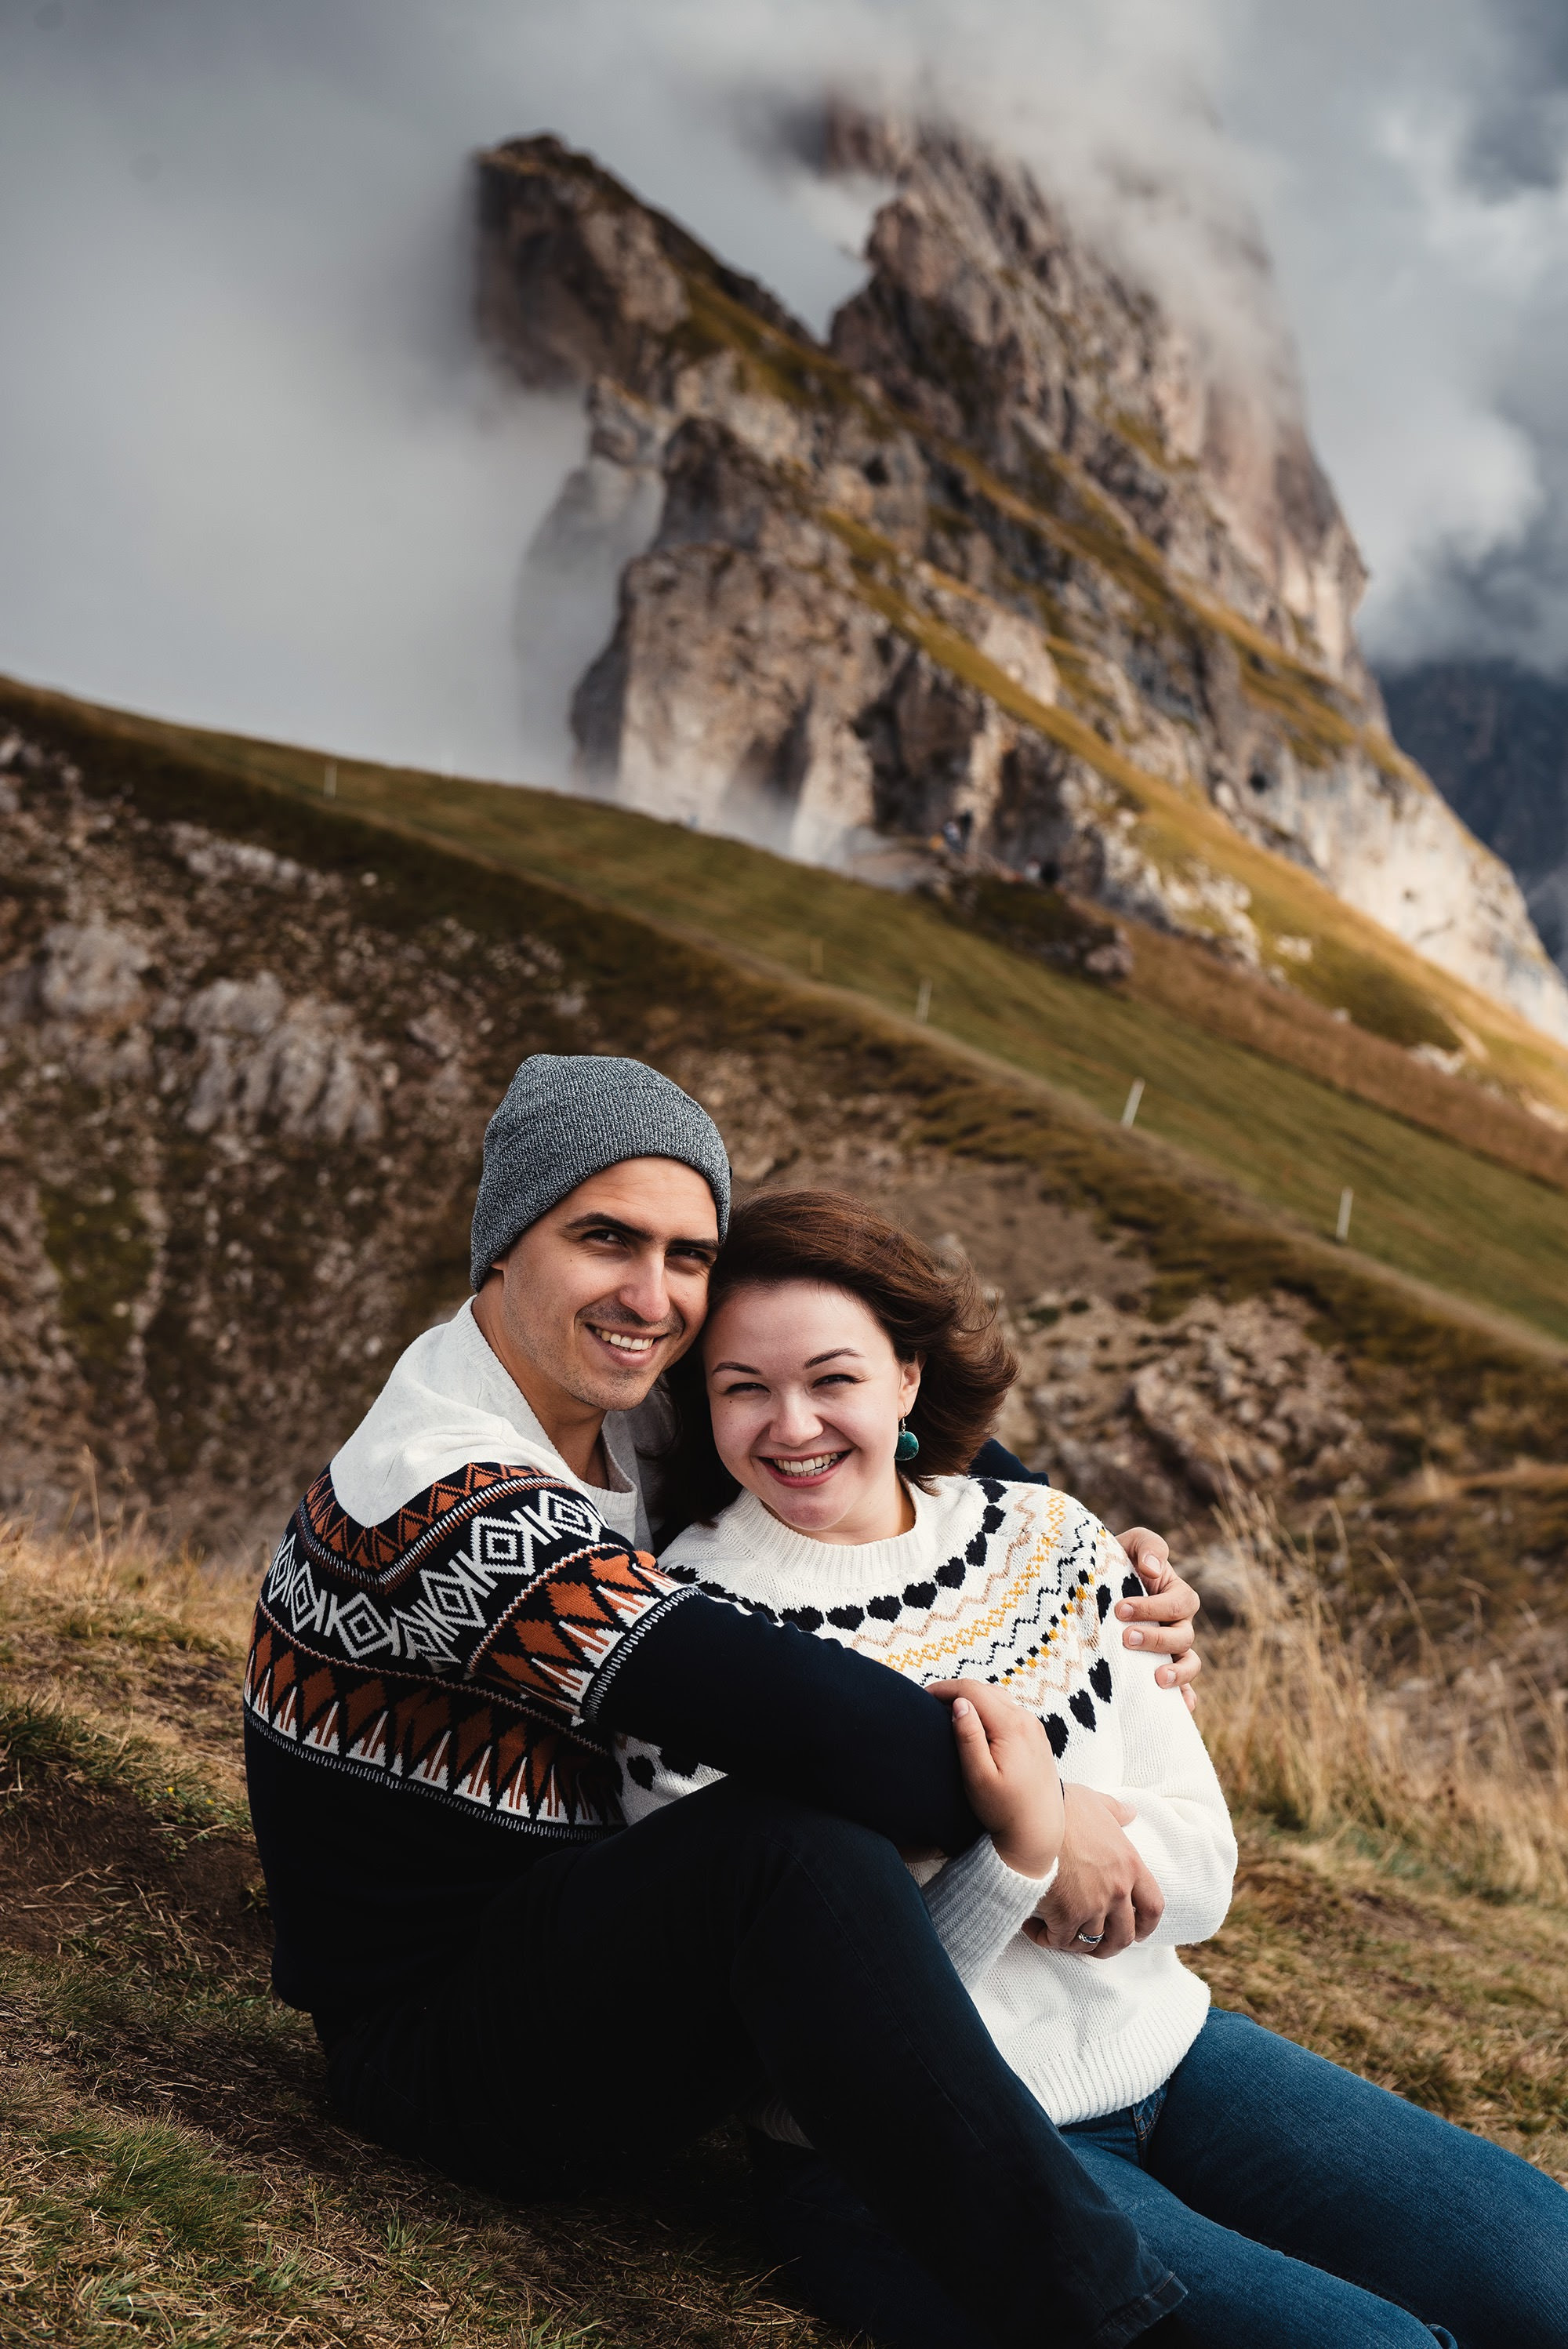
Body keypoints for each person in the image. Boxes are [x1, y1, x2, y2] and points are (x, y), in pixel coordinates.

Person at [244, 1054, 1204, 2349]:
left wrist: (1085, 1557)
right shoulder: (447, 1494)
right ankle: (1104, 2314)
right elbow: (787, 1712)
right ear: (503, 1246)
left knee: (791, 1841)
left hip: (602, 1947)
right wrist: (1043, 1811)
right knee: (788, 1849)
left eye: (688, 1255)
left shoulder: (618, 1410)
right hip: (451, 2053)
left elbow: (888, 1429)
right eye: (606, 1239)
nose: (652, 1297)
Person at [624, 1188, 1568, 2349]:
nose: (793, 1424)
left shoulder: (1052, 1540)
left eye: (834, 1378)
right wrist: (1022, 1855)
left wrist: (1042, 1854)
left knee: (1547, 2278)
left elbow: (1205, 1869)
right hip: (901, 2153)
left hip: (1166, 2053)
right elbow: (812, 2009)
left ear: (908, 1379)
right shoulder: (689, 1628)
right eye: (743, 1388)